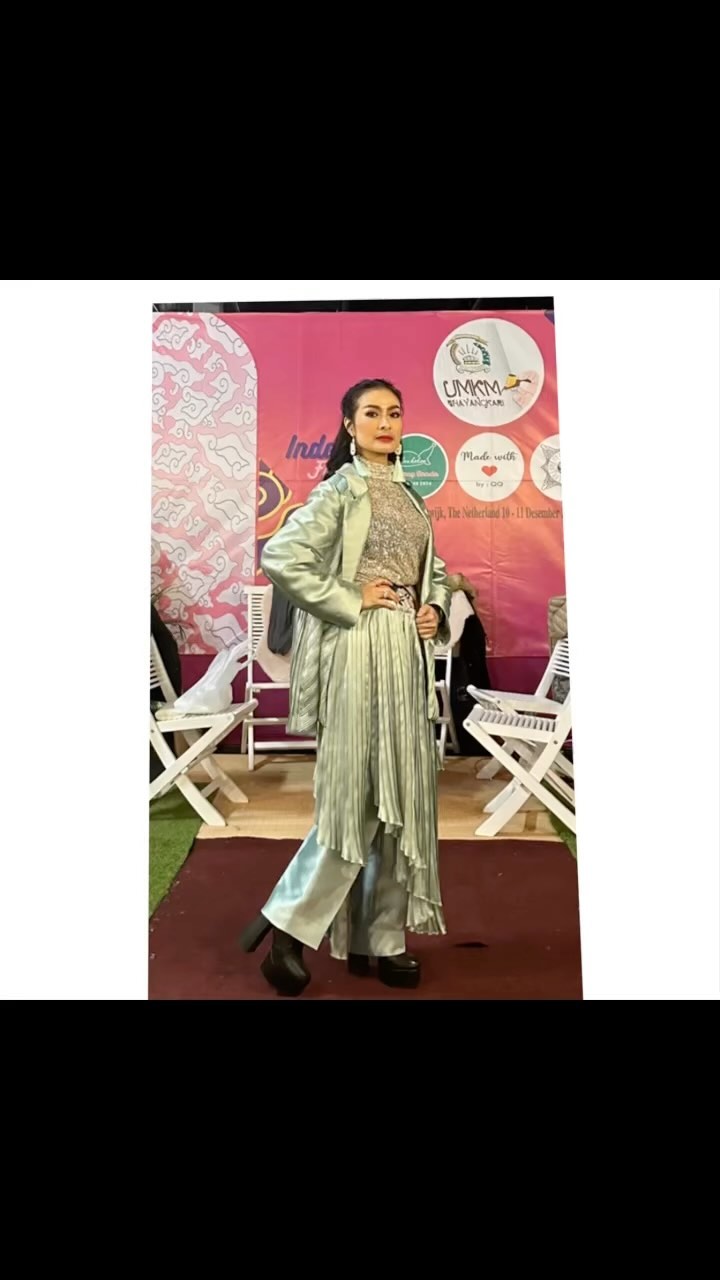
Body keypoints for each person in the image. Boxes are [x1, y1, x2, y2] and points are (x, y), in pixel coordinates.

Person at [240, 379, 451, 995]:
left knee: (400, 794)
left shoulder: (411, 497)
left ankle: (379, 940)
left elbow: (433, 571)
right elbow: (282, 555)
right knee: (355, 794)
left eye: (395, 413)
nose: (386, 423)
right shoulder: (339, 490)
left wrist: (433, 607)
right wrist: (348, 595)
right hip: (358, 647)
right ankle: (287, 922)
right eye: (372, 413)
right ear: (350, 426)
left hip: (405, 651)